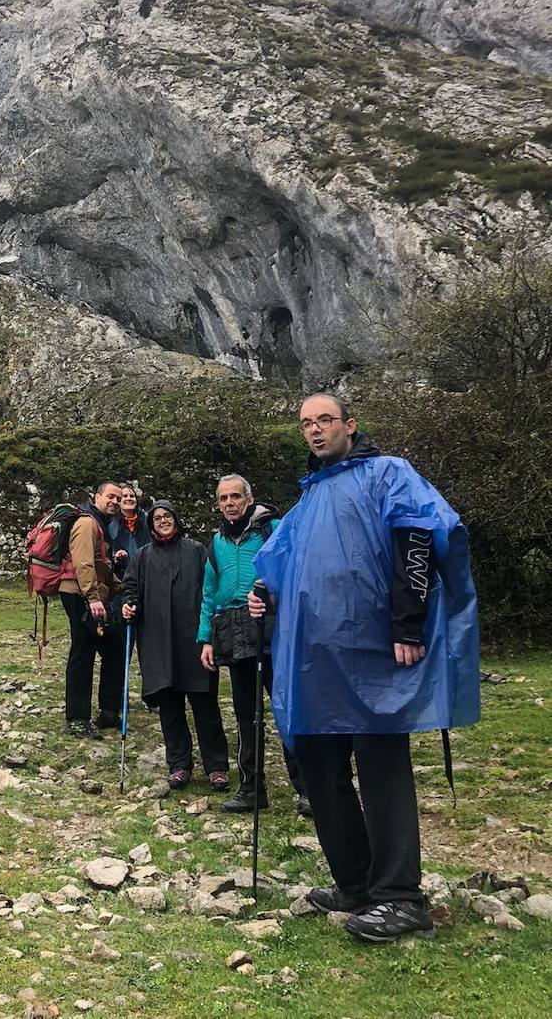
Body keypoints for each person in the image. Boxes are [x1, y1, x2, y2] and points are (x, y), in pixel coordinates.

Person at [250, 394, 480, 943]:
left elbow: (418, 536)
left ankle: (401, 897)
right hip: (315, 662)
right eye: (305, 423)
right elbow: (289, 566)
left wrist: (408, 622)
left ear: (350, 425)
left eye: (324, 420)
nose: (314, 430)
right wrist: (265, 593)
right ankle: (355, 882)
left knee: (381, 769)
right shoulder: (308, 499)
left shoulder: (388, 473)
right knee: (319, 767)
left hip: (376, 654)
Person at [198, 474, 308, 814]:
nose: (229, 503)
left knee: (286, 708)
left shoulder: (272, 529)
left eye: (235, 496)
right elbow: (208, 593)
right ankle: (251, 789)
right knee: (247, 714)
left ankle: (309, 789)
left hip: (274, 627)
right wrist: (205, 639)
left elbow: (296, 570)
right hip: (233, 630)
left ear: (249, 498)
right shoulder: (216, 542)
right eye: (223, 498)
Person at [121, 500, 230, 792]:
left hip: (193, 639)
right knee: (170, 707)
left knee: (205, 706)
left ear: (176, 519)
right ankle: (179, 764)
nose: (163, 521)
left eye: (168, 516)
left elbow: (211, 589)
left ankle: (217, 766)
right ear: (151, 523)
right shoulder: (142, 556)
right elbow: (129, 587)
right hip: (157, 641)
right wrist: (128, 605)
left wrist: (211, 632)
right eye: (157, 518)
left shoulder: (196, 551)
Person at [58, 481, 126, 738]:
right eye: (110, 496)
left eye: (118, 499)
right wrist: (93, 598)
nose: (115, 502)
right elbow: (83, 564)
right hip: (80, 594)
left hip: (91, 594)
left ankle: (108, 711)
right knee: (82, 653)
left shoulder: (101, 524)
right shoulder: (87, 524)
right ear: (96, 497)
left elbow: (101, 566)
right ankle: (76, 719)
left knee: (114, 648)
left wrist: (120, 587)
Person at [109, 483, 151, 579]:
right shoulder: (111, 523)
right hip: (123, 574)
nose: (129, 498)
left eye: (132, 496)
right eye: (124, 496)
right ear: (119, 501)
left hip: (147, 570)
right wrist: (116, 555)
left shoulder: (147, 520)